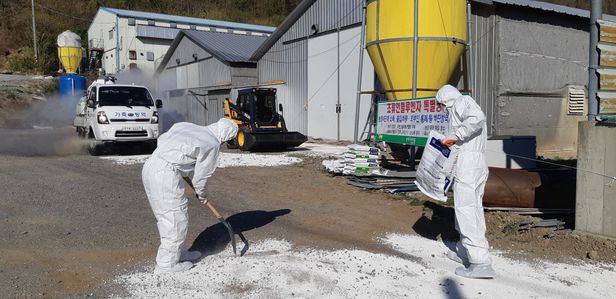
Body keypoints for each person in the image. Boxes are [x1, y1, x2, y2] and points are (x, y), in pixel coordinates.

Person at [142, 118, 238, 273]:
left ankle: (178, 253)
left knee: (171, 216)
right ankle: (166, 265)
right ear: (225, 137)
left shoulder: (187, 126)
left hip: (151, 165)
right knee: (174, 218)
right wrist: (202, 194)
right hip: (164, 173)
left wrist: (179, 166)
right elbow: (201, 176)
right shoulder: (212, 144)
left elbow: (165, 141)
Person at [435, 85, 496, 279]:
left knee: (467, 210)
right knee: (470, 209)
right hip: (473, 163)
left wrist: (456, 135)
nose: (442, 109)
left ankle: (480, 262)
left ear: (447, 100)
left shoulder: (462, 102)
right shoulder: (458, 107)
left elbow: (477, 119)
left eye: (442, 105)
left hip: (469, 165)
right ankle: (465, 249)